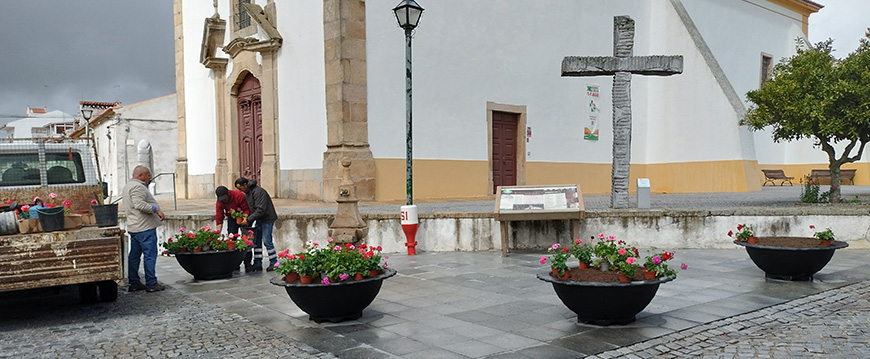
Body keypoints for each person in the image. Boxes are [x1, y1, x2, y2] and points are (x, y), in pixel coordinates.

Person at [122, 166, 166, 292]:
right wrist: (156, 210)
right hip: (144, 227)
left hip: (134, 227)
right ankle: (151, 283)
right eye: (148, 175)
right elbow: (139, 204)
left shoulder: (128, 186)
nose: (149, 178)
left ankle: (134, 282)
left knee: (134, 256)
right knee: (149, 256)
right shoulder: (138, 187)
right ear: (141, 175)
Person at [234, 177, 278, 272]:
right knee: (256, 242)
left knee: (267, 241)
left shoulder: (258, 192)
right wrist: (247, 218)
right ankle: (257, 263)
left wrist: (248, 219)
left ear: (245, 185)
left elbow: (260, 210)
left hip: (267, 219)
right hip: (259, 220)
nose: (240, 191)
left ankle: (274, 262)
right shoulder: (248, 193)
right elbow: (252, 209)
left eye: (240, 188)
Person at [214, 185, 252, 271]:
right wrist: (217, 233)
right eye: (221, 199)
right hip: (231, 219)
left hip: (243, 217)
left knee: (246, 239)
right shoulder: (220, 201)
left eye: (224, 198)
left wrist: (244, 220)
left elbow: (246, 209)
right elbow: (219, 216)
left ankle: (247, 262)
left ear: (228, 193)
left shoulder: (239, 196)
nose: (223, 200)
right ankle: (234, 263)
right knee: (231, 240)